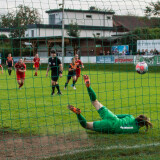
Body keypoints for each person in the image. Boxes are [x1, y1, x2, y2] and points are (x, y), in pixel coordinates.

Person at [68, 75, 153, 134]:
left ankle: (88, 86)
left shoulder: (130, 116)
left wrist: (107, 116)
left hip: (112, 117)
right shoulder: (135, 130)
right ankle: (78, 114)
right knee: (86, 125)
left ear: (138, 117)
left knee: (95, 101)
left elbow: (118, 115)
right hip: (110, 127)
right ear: (142, 125)